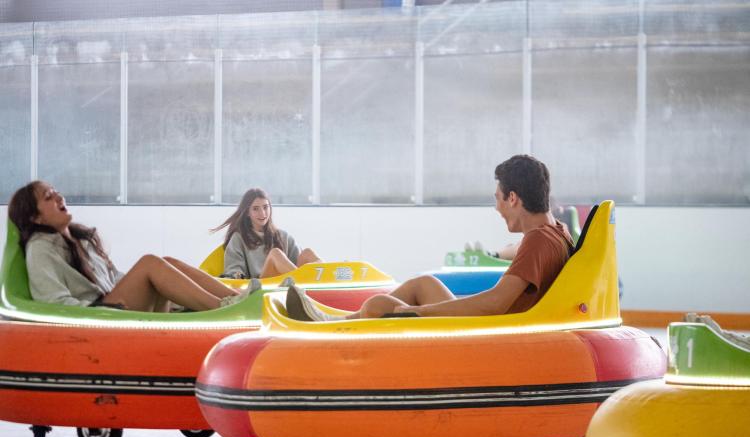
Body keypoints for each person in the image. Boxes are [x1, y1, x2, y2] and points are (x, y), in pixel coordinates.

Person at [286, 154, 574, 321]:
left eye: (498, 199)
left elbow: (495, 304)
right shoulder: (556, 232)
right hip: (499, 323)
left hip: (491, 333)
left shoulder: (538, 241)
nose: (497, 207)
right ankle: (333, 321)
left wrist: (421, 312)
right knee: (423, 284)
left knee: (378, 306)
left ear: (513, 198)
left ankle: (331, 328)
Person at [8, 181, 244, 312]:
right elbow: (53, 301)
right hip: (100, 312)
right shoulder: (40, 249)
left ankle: (236, 297)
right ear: (35, 218)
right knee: (149, 263)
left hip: (114, 301)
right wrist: (100, 311)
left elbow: (114, 277)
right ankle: (225, 309)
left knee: (166, 262)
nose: (59, 198)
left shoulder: (79, 239)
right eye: (49, 197)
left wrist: (175, 296)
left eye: (57, 193)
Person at [212, 188, 321, 279]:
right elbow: (234, 270)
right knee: (275, 254)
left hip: (287, 283)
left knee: (308, 253)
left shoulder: (283, 236)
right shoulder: (239, 238)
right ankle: (301, 284)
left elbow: (297, 265)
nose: (263, 213)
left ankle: (329, 282)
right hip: (262, 285)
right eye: (255, 209)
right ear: (247, 213)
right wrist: (235, 276)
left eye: (265, 207)